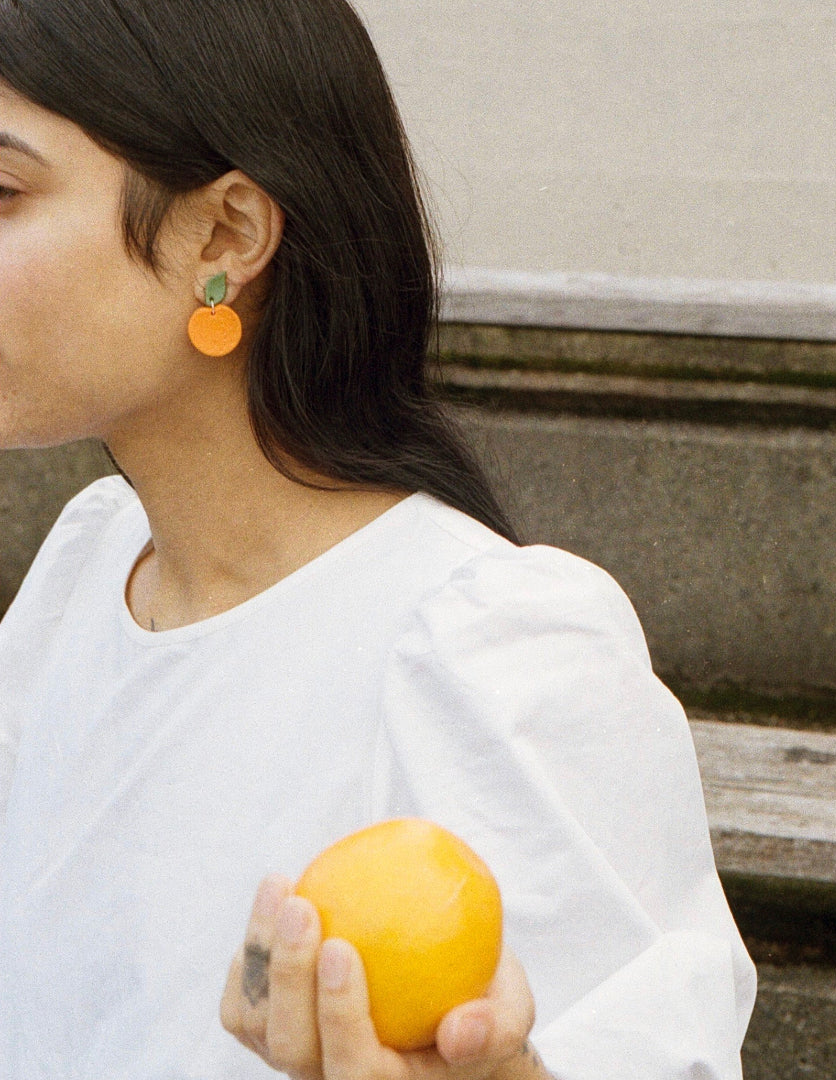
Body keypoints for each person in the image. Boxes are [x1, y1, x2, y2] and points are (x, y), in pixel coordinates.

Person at [0, 0, 756, 1077]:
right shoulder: (91, 567)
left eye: (3, 192)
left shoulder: (492, 643)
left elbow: (646, 1047)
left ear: (226, 236)